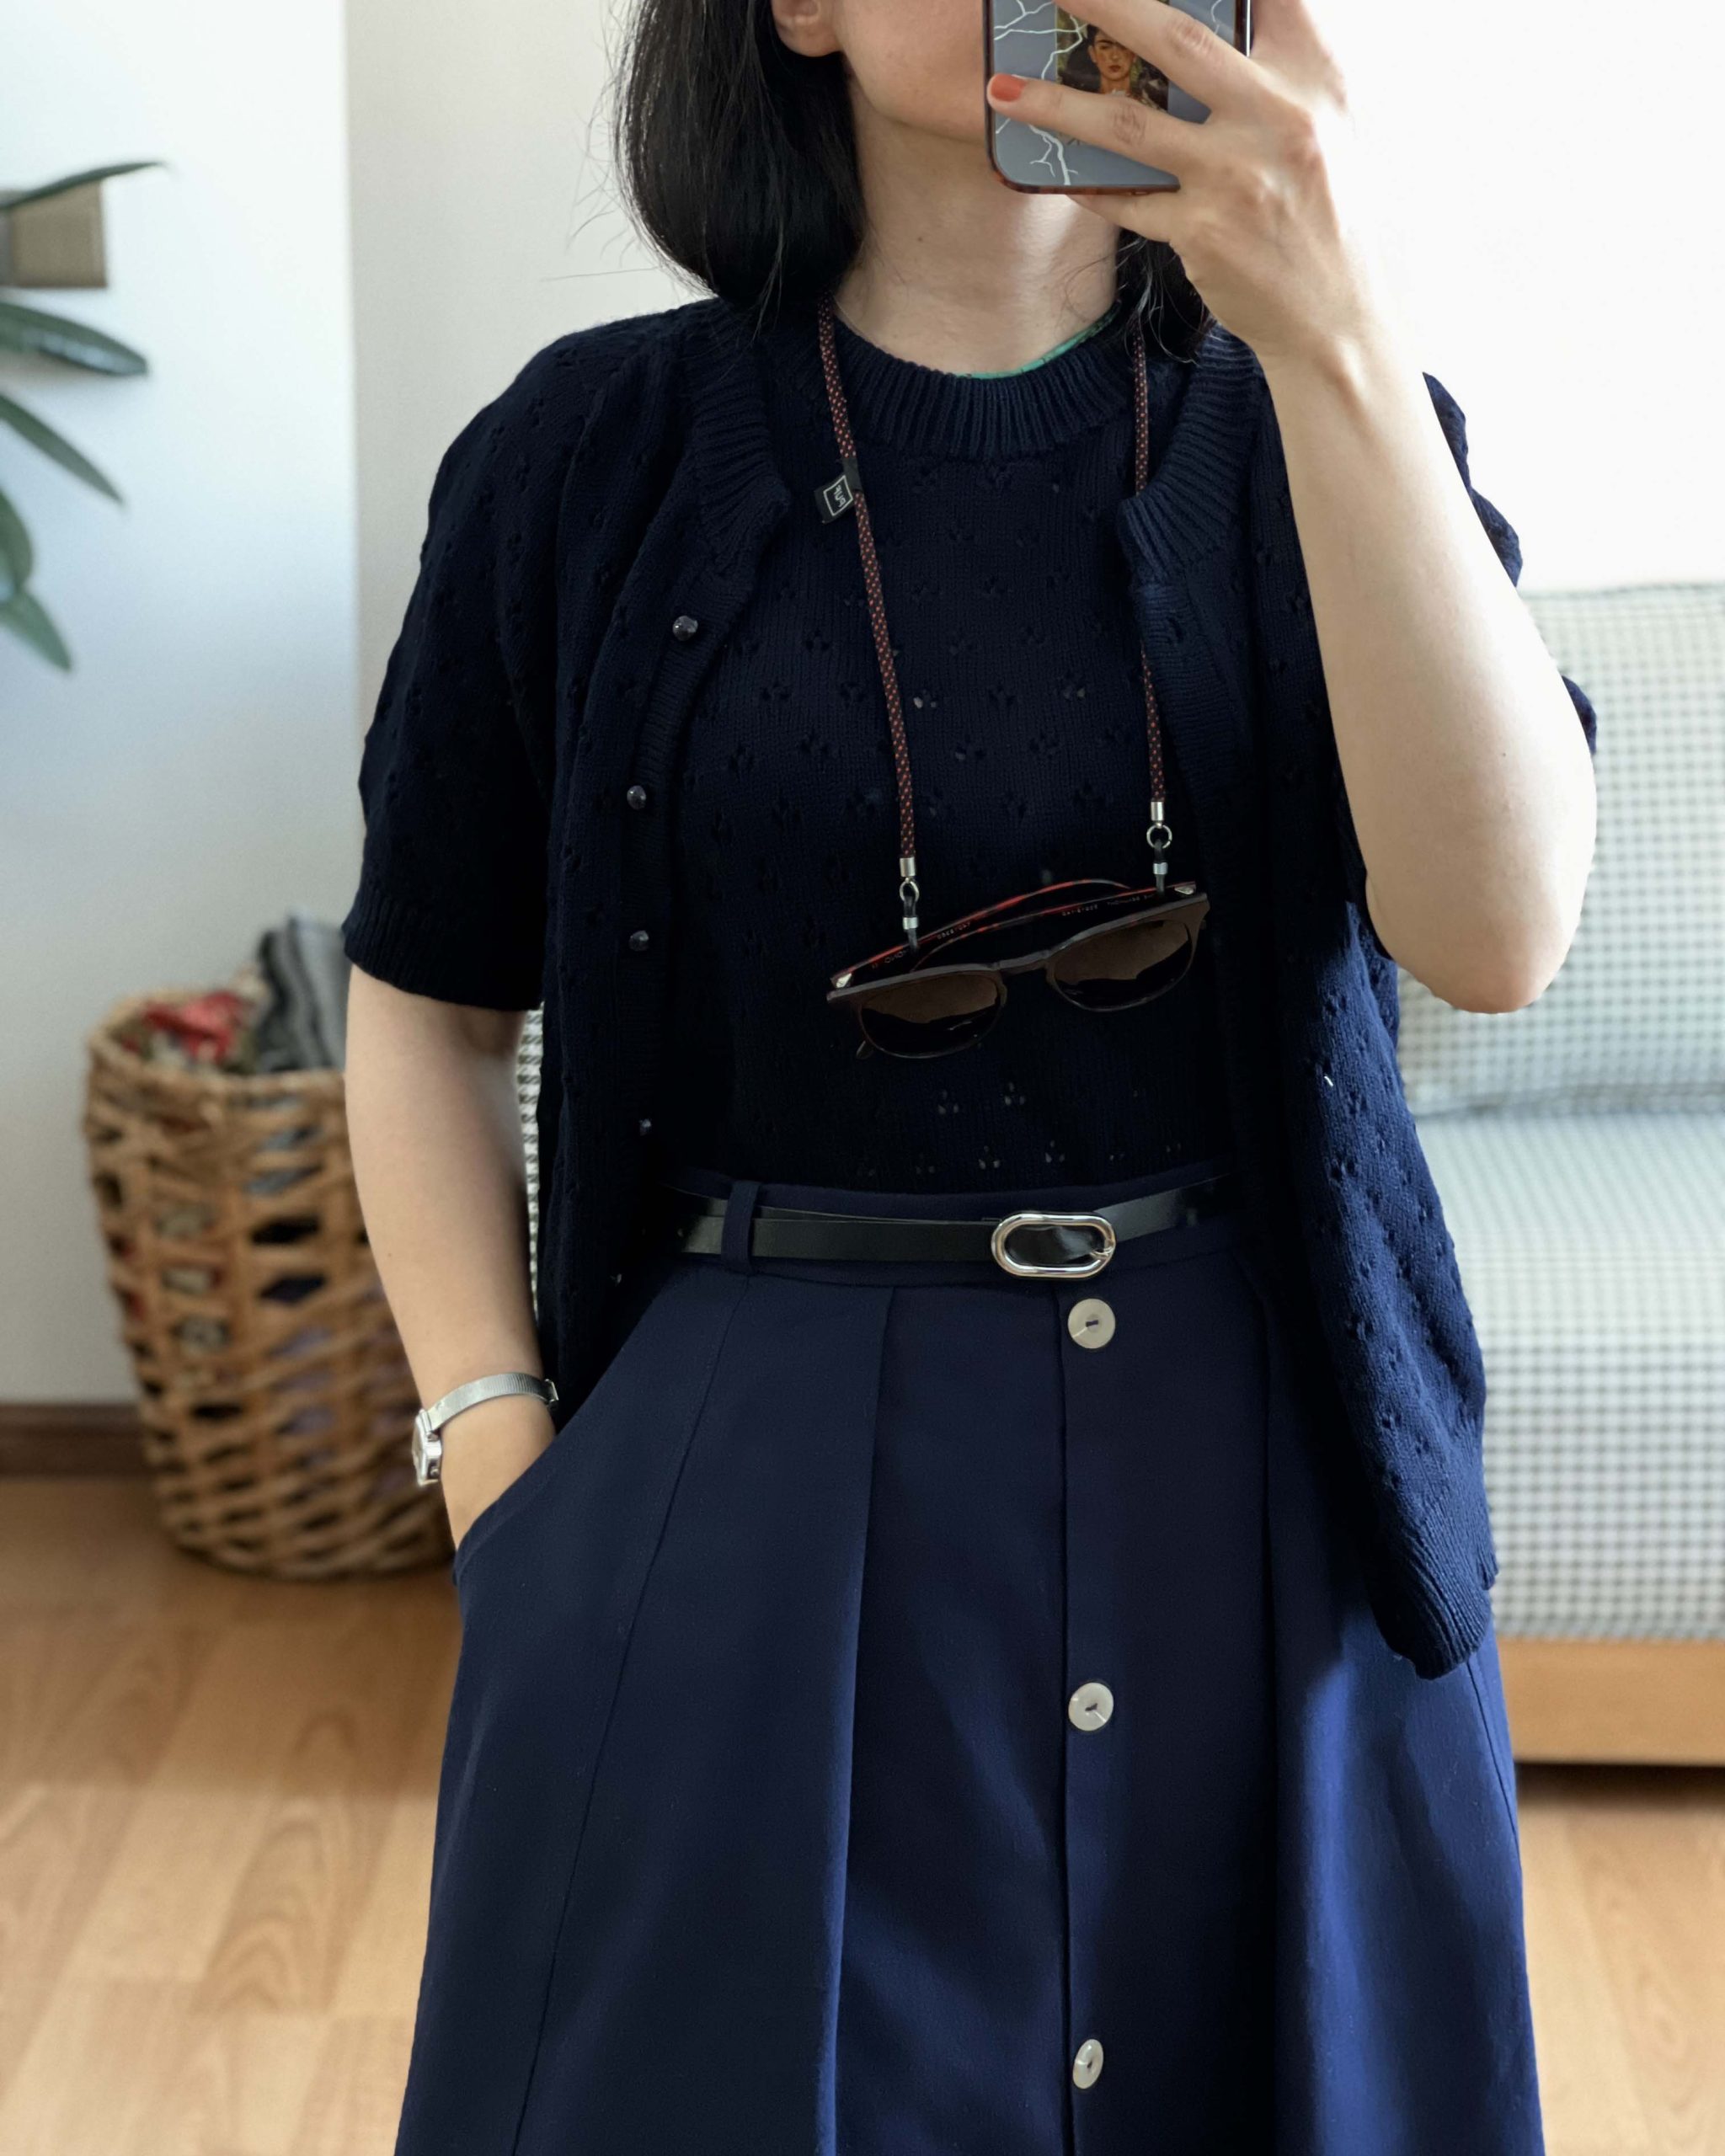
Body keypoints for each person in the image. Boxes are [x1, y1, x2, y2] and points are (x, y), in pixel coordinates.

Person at [339, 0, 1599, 2149]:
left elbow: (1495, 939)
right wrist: (498, 1466)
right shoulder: (583, 455)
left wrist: (1336, 333)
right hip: (735, 1490)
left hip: (1271, 1473)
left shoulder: (1329, 421)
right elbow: (426, 1006)